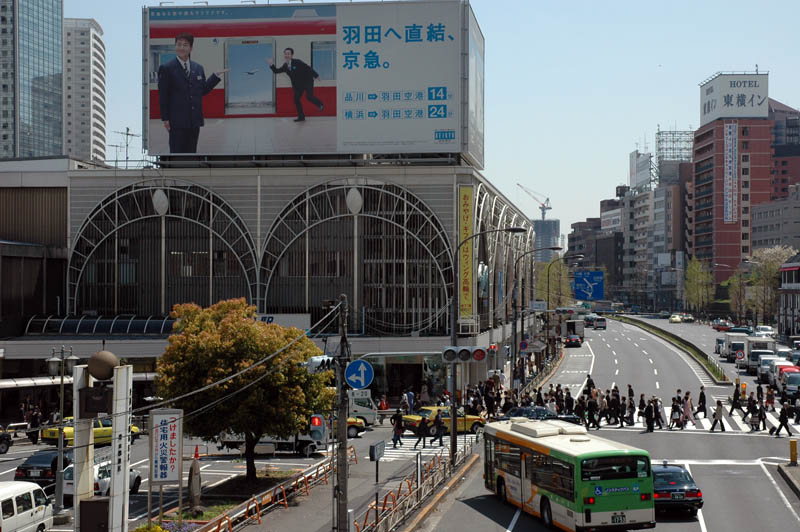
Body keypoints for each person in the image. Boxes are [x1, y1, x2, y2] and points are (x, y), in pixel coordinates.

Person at [158, 33, 226, 153]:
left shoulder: (198, 68)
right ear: (175, 46)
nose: (181, 48)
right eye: (179, 45)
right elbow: (163, 96)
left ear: (191, 48)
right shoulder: (167, 68)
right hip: (176, 122)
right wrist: (165, 118)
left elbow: (202, 90)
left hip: (194, 121)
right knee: (177, 155)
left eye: (185, 45)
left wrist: (215, 76)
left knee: (191, 153)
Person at [267, 47, 323, 122]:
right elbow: (276, 71)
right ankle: (301, 117)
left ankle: (320, 104)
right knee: (296, 100)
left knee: (309, 97)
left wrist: (316, 75)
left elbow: (308, 68)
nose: (287, 55)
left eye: (288, 54)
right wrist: (271, 64)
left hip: (307, 81)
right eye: (285, 54)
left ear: (292, 55)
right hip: (298, 86)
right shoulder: (285, 66)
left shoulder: (297, 62)